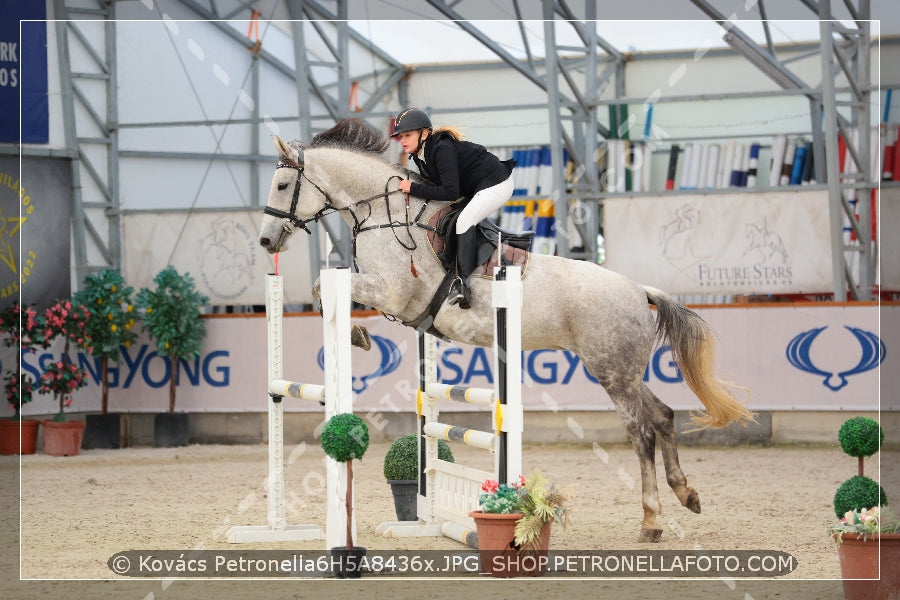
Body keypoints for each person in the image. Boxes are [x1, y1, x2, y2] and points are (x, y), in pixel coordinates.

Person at [392, 108, 515, 309]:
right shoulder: (419, 155)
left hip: (497, 183)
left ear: (424, 134)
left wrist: (413, 188)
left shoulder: (441, 149)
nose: (403, 140)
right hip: (475, 187)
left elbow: (449, 192)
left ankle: (463, 285)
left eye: (408, 135)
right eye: (400, 136)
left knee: (464, 221)